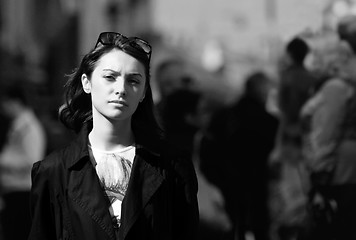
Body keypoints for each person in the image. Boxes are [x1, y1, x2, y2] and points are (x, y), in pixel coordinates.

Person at [28, 31, 199, 240]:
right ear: (86, 82)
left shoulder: (172, 166)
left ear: (144, 92)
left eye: (134, 81)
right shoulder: (53, 171)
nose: (121, 89)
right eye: (110, 77)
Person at [198, 71, 279, 240]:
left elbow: (211, 145)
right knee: (259, 223)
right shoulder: (269, 121)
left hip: (227, 179)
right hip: (257, 179)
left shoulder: (225, 115)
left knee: (233, 223)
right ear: (263, 92)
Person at [300, 36, 356, 240]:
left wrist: (320, 174)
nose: (312, 62)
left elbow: (326, 132)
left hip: (337, 173)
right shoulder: (344, 85)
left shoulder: (336, 88)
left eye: (317, 56)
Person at [0, 82, 47, 240]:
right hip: (16, 191)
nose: (3, 107)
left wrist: (4, 163)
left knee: (17, 234)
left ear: (15, 101)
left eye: (5, 102)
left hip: (23, 192)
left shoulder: (29, 127)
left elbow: (33, 161)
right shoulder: (21, 124)